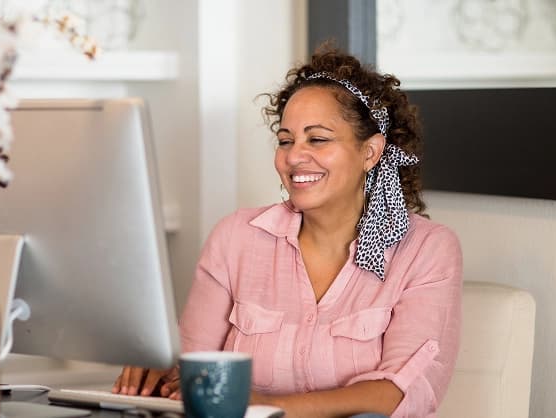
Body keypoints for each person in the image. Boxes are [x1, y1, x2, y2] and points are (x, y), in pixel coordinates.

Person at [113, 46, 462, 418]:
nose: (294, 156)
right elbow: (193, 369)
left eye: (317, 139)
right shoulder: (236, 239)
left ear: (371, 152)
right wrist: (163, 371)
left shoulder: (427, 250)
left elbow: (400, 392)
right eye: (285, 140)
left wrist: (268, 407)